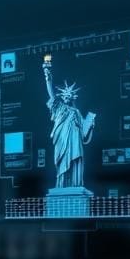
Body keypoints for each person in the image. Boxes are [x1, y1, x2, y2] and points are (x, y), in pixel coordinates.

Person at [43, 55, 96, 188]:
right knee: (62, 162)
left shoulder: (76, 112)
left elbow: (84, 134)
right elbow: (51, 94)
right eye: (65, 96)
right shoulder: (59, 107)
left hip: (75, 141)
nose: (67, 98)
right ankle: (62, 185)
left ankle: (75, 184)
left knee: (76, 159)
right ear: (62, 97)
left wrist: (90, 124)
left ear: (72, 97)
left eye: (69, 96)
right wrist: (48, 77)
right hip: (62, 140)